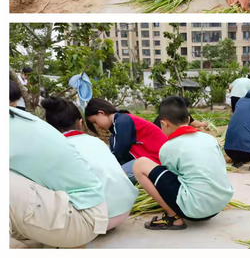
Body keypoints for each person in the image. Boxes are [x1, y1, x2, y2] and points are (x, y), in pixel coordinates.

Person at [10, 107, 108, 248]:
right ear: (80, 123)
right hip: (100, 213)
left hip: (81, 217)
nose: (97, 126)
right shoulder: (22, 119)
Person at [132, 96, 233, 230]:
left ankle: (173, 218)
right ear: (189, 119)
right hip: (219, 204)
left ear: (164, 123)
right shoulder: (209, 139)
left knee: (140, 164)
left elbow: (170, 180)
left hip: (195, 210)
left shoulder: (169, 147)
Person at [41, 96, 138, 231]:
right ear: (80, 123)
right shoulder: (97, 142)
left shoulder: (56, 147)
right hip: (124, 211)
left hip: (95, 221)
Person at [85, 98, 168, 184]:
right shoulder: (118, 125)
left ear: (101, 113)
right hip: (149, 160)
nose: (97, 126)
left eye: (95, 121)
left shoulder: (122, 121)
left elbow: (119, 152)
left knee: (113, 177)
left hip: (156, 161)